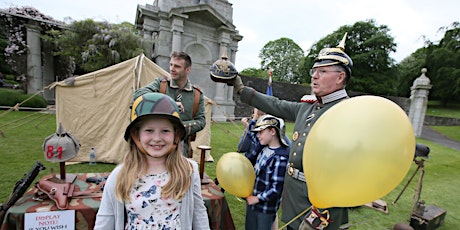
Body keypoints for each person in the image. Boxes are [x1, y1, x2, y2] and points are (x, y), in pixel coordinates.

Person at [215, 33, 352, 229]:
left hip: (324, 205)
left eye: (322, 71)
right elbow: (275, 104)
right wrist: (240, 88)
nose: (314, 75)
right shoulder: (308, 107)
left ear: (340, 77)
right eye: (315, 70)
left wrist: (323, 210)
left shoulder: (349, 112)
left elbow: (349, 169)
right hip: (295, 199)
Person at [94, 93, 210, 230]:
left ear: (176, 134)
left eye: (165, 131)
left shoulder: (188, 170)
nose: (157, 138)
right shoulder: (120, 174)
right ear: (136, 135)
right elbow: (105, 219)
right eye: (149, 130)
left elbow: (199, 214)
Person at [134, 51, 206, 158]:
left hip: (181, 147)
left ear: (187, 70)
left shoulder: (196, 94)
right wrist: (168, 102)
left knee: (179, 173)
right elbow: (138, 95)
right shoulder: (161, 84)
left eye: (177, 66)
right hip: (155, 143)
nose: (172, 69)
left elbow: (201, 121)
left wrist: (177, 129)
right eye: (171, 65)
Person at [244, 114, 290, 230]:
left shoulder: (280, 158)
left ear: (272, 132)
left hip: (265, 209)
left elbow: (276, 189)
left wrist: (257, 198)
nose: (258, 136)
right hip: (252, 205)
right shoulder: (263, 148)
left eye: (261, 132)